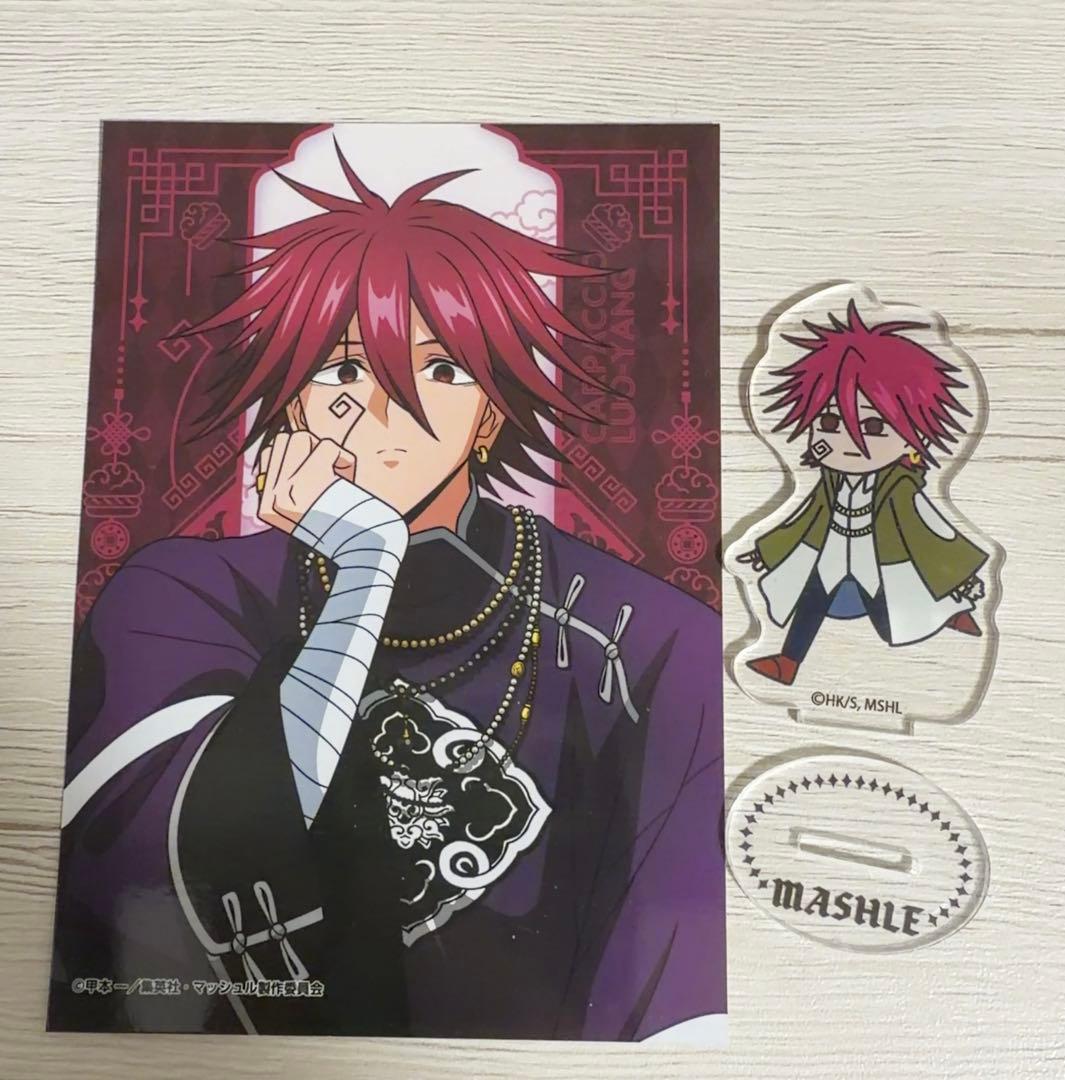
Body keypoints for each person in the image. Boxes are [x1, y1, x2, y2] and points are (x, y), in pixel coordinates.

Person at [50, 143, 726, 1041]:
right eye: (340, 368)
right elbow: (167, 871)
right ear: (286, 398)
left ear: (492, 412)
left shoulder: (653, 640)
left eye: (441, 371)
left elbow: (680, 986)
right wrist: (364, 570)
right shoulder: (174, 597)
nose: (381, 410)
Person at [739, 300, 987, 686]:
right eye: (829, 421)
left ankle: (947, 612)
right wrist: (768, 549)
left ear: (915, 437)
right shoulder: (829, 482)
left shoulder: (900, 488)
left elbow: (931, 533)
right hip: (833, 549)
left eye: (874, 427)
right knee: (813, 595)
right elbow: (803, 518)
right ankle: (788, 663)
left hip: (878, 557)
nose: (849, 440)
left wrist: (959, 579)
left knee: (889, 623)